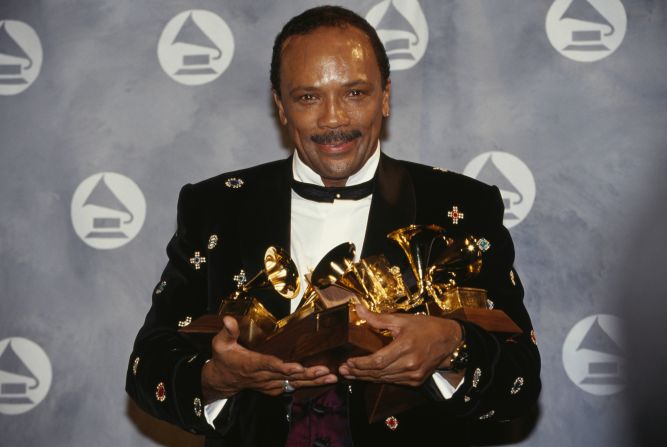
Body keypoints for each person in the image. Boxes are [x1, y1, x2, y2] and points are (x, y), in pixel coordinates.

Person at [126, 6, 540, 447]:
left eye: (355, 93)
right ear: (280, 106)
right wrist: (215, 379)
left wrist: (453, 349)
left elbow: (521, 381)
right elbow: (146, 368)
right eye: (308, 97)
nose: (333, 119)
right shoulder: (216, 207)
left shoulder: (461, 207)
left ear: (385, 97)